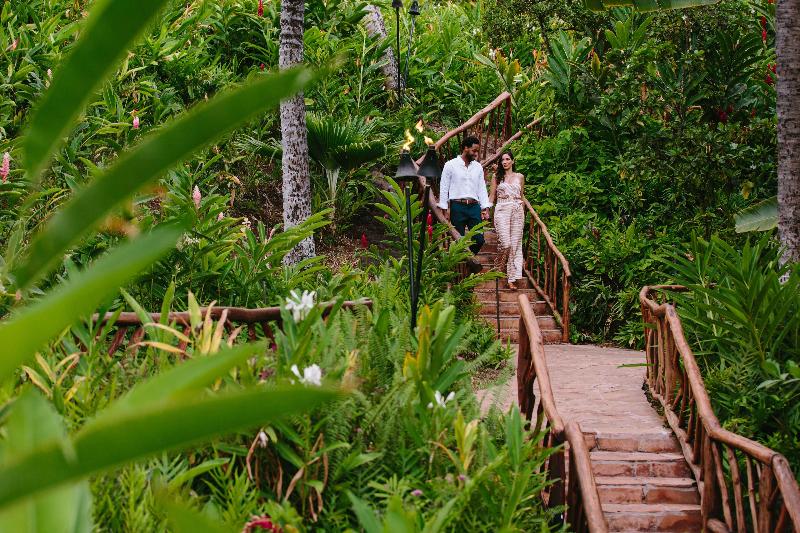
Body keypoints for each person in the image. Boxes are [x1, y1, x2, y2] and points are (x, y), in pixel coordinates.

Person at [438, 136, 492, 272]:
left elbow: (481, 188)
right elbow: (444, 187)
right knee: (458, 240)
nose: (476, 154)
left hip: (474, 206)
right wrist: (444, 208)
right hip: (457, 206)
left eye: (477, 151)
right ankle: (461, 268)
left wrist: (485, 207)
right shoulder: (450, 165)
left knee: (479, 239)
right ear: (465, 148)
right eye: (474, 150)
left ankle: (467, 262)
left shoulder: (478, 167)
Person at [489, 151, 524, 289]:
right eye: (502, 160)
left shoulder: (520, 176)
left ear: (513, 161)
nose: (505, 162)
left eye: (507, 159)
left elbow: (522, 196)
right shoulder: (496, 177)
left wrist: (524, 212)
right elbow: (492, 196)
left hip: (517, 210)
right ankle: (499, 264)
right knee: (506, 243)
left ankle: (511, 278)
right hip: (502, 209)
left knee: (515, 244)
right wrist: (486, 210)